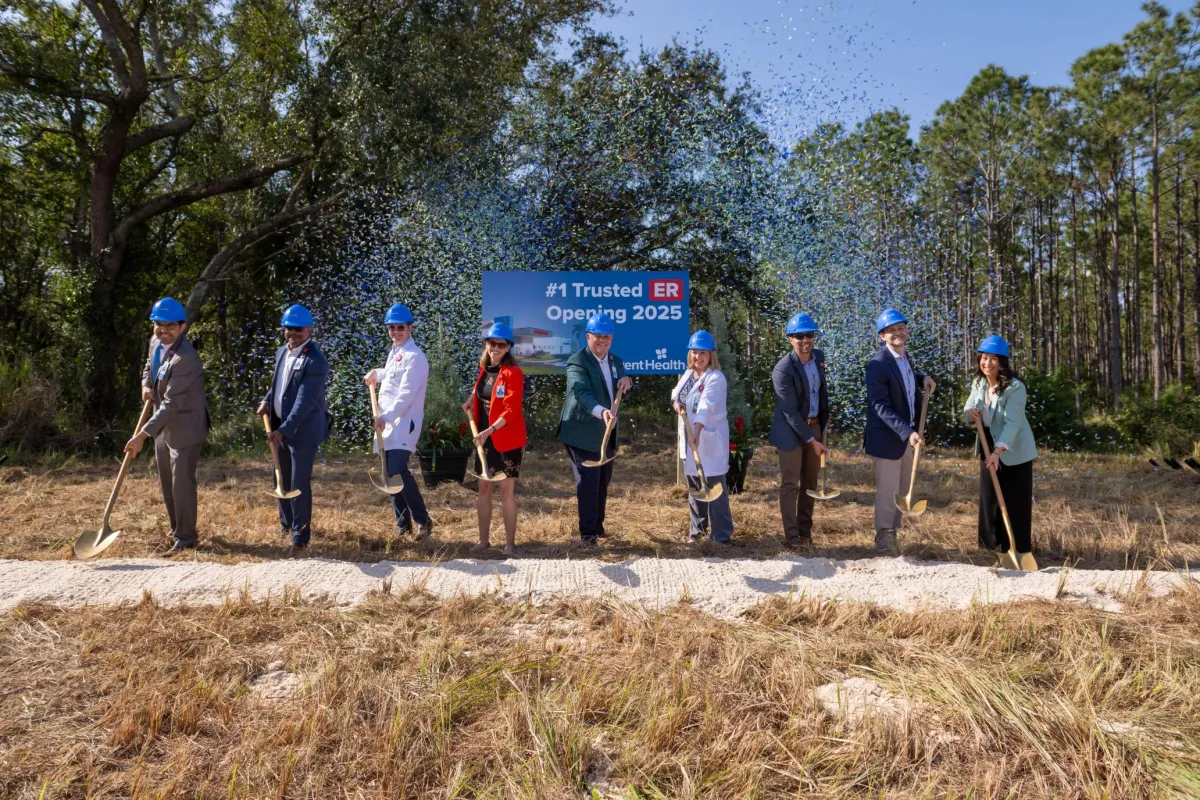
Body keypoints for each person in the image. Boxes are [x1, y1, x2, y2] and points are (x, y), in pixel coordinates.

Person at [124, 297, 209, 557]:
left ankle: (187, 538)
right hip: (163, 426)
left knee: (181, 484)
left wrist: (141, 435)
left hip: (185, 426)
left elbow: (171, 404)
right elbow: (149, 367)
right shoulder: (154, 343)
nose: (163, 330)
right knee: (167, 483)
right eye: (158, 324)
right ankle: (176, 531)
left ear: (182, 327)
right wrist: (145, 386)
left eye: (170, 325)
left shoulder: (186, 359)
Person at [256, 304, 330, 553]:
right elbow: (279, 384)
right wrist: (267, 400)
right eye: (289, 328)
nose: (293, 333)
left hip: (303, 430)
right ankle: (286, 524)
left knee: (298, 481)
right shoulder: (281, 352)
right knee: (281, 476)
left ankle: (301, 533)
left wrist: (283, 431)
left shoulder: (315, 360)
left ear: (309, 330)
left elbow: (304, 402)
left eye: (298, 329)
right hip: (279, 426)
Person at [556, 312, 632, 547]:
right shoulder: (578, 361)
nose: (602, 341)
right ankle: (588, 535)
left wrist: (628, 381)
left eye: (607, 337)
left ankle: (598, 527)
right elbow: (581, 393)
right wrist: (602, 412)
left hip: (606, 432)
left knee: (602, 481)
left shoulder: (615, 361)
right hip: (582, 431)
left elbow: (622, 383)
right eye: (598, 336)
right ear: (588, 337)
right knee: (589, 481)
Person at [863, 308, 936, 555]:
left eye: (901, 328)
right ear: (882, 335)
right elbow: (879, 406)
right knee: (888, 491)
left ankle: (893, 537)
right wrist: (908, 432)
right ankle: (883, 537)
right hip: (887, 439)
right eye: (891, 330)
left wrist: (922, 377)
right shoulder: (876, 365)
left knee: (902, 491)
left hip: (907, 439)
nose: (898, 333)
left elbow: (905, 379)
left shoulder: (905, 359)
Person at [362, 303, 434, 541]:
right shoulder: (396, 352)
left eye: (400, 327)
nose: (396, 331)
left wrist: (386, 417)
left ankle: (422, 521)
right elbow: (392, 373)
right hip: (387, 422)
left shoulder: (417, 357)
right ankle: (402, 526)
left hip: (404, 422)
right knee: (388, 472)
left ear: (410, 328)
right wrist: (376, 372)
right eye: (391, 328)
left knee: (398, 471)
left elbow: (406, 393)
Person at [963, 335, 1038, 558]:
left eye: (993, 359)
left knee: (1015, 499)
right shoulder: (978, 382)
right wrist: (970, 413)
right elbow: (968, 407)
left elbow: (1012, 423)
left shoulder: (1015, 387)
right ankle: (988, 546)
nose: (987, 363)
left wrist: (998, 451)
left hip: (1013, 447)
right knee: (989, 497)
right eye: (984, 358)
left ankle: (1016, 548)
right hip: (987, 443)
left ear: (1002, 361)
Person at [461, 322, 527, 555]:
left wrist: (490, 430)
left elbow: (511, 410)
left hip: (505, 439)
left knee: (506, 491)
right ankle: (483, 541)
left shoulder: (514, 373)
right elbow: (481, 389)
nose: (495, 348)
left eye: (501, 344)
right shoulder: (484, 369)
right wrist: (471, 399)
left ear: (508, 347)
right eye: (491, 343)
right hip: (484, 438)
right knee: (483, 489)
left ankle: (509, 544)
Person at [768, 313, 830, 548]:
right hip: (790, 431)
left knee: (810, 483)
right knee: (791, 484)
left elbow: (819, 391)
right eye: (799, 336)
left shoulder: (819, 358)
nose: (805, 339)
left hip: (814, 427)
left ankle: (806, 533)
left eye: (810, 335)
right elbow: (790, 411)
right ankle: (791, 537)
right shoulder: (782, 369)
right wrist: (812, 441)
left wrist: (823, 418)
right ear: (789, 339)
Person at [670, 330, 733, 544]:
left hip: (708, 436)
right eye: (695, 353)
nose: (698, 357)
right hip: (690, 436)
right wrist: (676, 403)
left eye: (703, 353)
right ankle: (697, 532)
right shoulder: (689, 374)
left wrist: (696, 432)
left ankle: (721, 535)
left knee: (715, 487)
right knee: (695, 486)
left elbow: (705, 406)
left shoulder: (716, 378)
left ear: (711, 355)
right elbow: (676, 393)